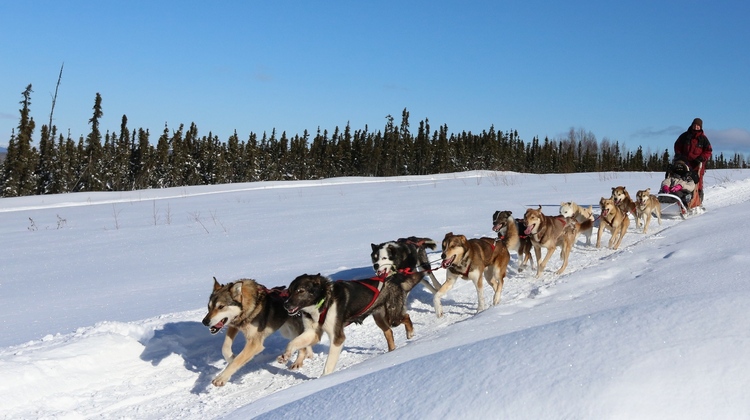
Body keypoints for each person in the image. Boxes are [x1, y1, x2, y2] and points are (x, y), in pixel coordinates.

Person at [673, 117, 712, 203]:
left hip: (697, 164)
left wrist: (701, 158)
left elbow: (708, 151)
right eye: (695, 125)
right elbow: (677, 146)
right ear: (692, 125)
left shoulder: (703, 139)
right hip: (685, 163)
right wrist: (679, 156)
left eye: (698, 126)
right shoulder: (685, 136)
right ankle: (680, 198)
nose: (696, 127)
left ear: (700, 127)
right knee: (681, 180)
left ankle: (698, 200)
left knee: (697, 182)